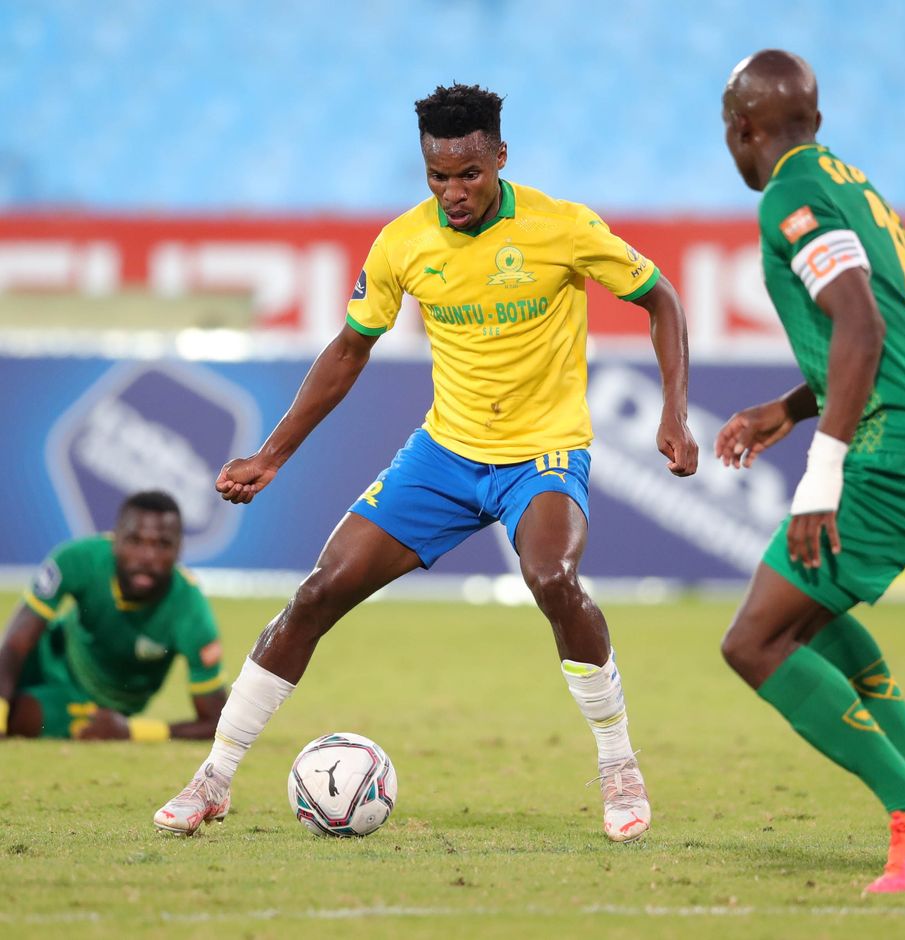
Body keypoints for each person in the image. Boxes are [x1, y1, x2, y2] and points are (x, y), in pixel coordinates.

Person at [154, 84, 698, 840]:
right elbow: (350, 349)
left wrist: (673, 411)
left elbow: (661, 297)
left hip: (540, 453)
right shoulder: (403, 243)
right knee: (317, 593)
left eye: (469, 174)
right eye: (437, 176)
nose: (453, 192)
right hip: (443, 456)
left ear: (499, 158)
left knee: (552, 578)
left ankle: (618, 766)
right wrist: (272, 454)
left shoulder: (563, 228)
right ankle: (213, 778)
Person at [714, 50, 905, 893]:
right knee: (810, 614)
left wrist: (818, 477)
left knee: (754, 642)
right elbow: (873, 329)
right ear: (815, 122)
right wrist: (786, 412)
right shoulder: (847, 182)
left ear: (741, 130)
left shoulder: (792, 197)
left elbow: (859, 327)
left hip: (892, 452)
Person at [0, 491, 226, 742]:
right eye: (135, 541)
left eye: (162, 545)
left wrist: (131, 731)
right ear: (115, 539)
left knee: (23, 716)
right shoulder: (79, 559)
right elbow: (14, 643)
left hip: (97, 705)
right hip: (49, 655)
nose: (147, 557)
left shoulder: (191, 610)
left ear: (179, 550)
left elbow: (216, 721)